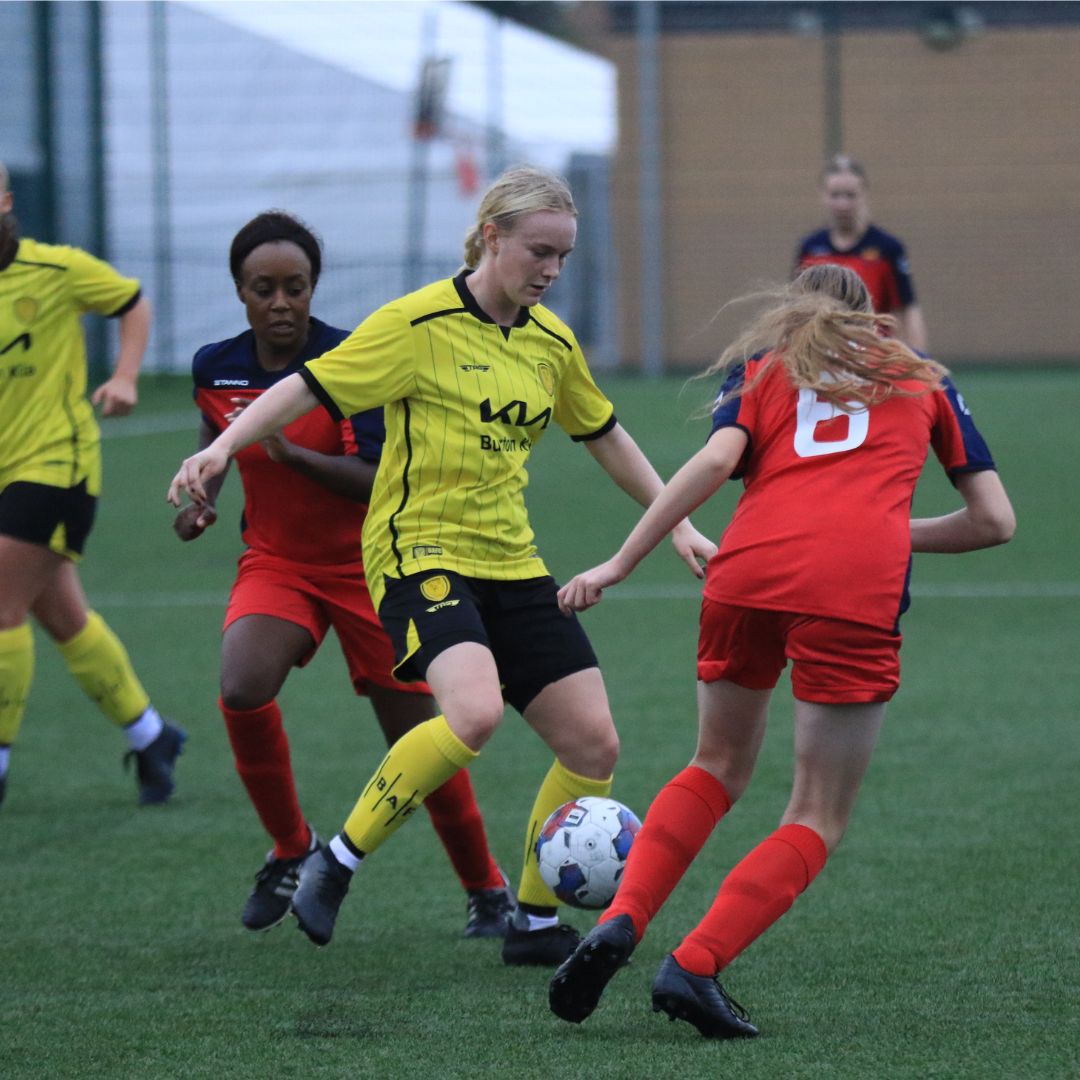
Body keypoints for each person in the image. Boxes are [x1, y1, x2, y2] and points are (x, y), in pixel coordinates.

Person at [168, 166, 715, 967]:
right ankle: (334, 861)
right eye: (539, 251)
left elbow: (604, 435)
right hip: (417, 549)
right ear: (491, 236)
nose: (552, 270)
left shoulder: (551, 341)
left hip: (511, 559)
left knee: (593, 744)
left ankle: (532, 923)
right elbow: (305, 389)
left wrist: (680, 524)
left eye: (563, 256)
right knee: (474, 713)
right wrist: (220, 448)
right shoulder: (414, 323)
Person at [548, 263, 1014, 1038]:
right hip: (852, 590)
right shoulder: (922, 377)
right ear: (872, 315)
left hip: (746, 570)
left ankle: (622, 918)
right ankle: (694, 964)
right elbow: (994, 521)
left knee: (714, 765)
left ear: (794, 311)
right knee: (816, 812)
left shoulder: (764, 366)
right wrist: (878, 532)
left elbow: (714, 463)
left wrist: (622, 561)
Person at [172, 210, 514, 936]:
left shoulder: (351, 359)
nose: (281, 303)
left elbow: (374, 477)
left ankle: (486, 889)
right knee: (241, 686)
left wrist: (292, 455)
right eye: (264, 288)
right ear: (240, 292)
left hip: (373, 569)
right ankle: (290, 848)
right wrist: (203, 499)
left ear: (313, 288)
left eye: (295, 287)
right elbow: (217, 439)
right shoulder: (216, 366)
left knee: (420, 738)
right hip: (278, 561)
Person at [0, 160, 185, 810]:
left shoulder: (55, 270)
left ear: (6, 200)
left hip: (57, 465)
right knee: (65, 619)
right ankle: (152, 735)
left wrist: (127, 375)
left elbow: (131, 302)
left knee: (2, 606)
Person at [795, 154, 928, 351]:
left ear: (864, 194)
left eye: (850, 195)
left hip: (873, 354)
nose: (843, 204)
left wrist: (918, 358)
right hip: (823, 354)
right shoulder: (810, 248)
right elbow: (796, 309)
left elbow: (907, 309)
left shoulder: (887, 248)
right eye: (835, 195)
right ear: (823, 195)